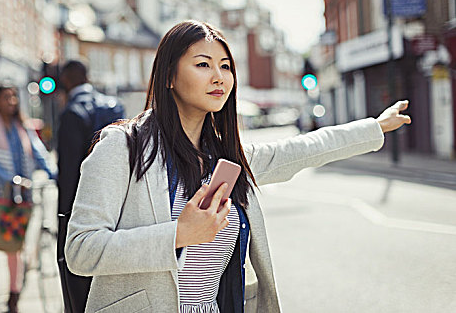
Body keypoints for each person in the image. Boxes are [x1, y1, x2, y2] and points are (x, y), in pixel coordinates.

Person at [64, 21, 411, 313]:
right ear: (169, 77)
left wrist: (374, 128)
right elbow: (81, 249)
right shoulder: (124, 147)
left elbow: (302, 149)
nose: (219, 77)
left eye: (226, 66)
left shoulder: (227, 159)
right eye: (203, 65)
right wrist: (178, 235)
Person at [0, 86, 56, 313]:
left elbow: (39, 154)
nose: (10, 101)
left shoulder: (23, 128)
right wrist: (13, 179)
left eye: (13, 96)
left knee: (15, 250)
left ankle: (13, 300)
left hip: (19, 201)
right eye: (5, 97)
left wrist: (55, 173)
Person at [56, 60, 125, 313]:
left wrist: (64, 221)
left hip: (80, 208)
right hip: (118, 204)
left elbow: (68, 172)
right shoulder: (114, 106)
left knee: (78, 283)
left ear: (66, 79)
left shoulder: (72, 112)